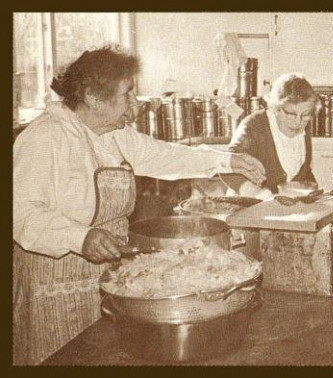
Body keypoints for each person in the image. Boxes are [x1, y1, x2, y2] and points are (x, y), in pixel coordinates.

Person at [12, 45, 266, 365]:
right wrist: (80, 237)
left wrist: (227, 160)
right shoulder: (46, 138)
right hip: (54, 284)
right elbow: (20, 213)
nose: (134, 105)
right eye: (127, 95)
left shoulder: (114, 134)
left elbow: (162, 155)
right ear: (93, 97)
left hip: (107, 279)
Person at [228, 72, 319, 194]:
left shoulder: (304, 126)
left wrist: (311, 191)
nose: (298, 122)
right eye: (291, 114)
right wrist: (257, 194)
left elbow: (303, 171)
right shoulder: (254, 125)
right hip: (248, 205)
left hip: (284, 207)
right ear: (276, 108)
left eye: (305, 115)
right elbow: (227, 168)